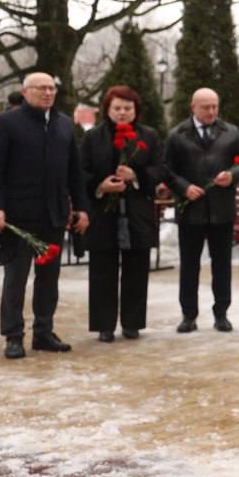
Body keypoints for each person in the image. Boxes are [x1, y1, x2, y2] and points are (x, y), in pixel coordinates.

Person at [0, 72, 90, 359]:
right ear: (25, 92)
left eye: (51, 88)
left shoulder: (64, 124)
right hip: (17, 216)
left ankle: (43, 332)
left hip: (53, 215)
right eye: (41, 88)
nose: (47, 93)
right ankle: (13, 335)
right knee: (16, 278)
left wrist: (82, 207)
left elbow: (74, 172)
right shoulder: (7, 123)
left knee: (49, 278)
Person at [80, 86, 167, 342]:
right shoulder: (93, 137)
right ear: (107, 109)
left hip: (136, 212)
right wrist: (100, 186)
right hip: (103, 212)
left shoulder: (149, 136)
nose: (122, 113)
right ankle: (104, 325)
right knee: (102, 271)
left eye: (127, 108)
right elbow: (80, 171)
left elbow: (160, 169)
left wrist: (136, 176)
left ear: (135, 110)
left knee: (137, 270)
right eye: (117, 108)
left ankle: (132, 323)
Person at [164, 87, 239, 333]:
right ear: (193, 107)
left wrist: (232, 175)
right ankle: (188, 315)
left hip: (222, 210)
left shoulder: (231, 132)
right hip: (191, 210)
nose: (211, 111)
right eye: (206, 107)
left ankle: (221, 314)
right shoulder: (177, 135)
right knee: (189, 266)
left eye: (215, 106)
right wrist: (183, 188)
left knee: (222, 265)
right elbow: (165, 168)